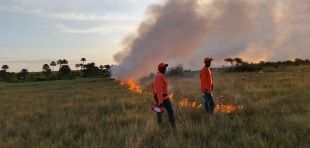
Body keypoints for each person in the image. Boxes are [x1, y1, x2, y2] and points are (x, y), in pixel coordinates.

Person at [152, 63, 176, 128]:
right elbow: (159, 90)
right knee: (170, 111)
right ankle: (173, 126)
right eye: (163, 68)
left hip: (161, 98)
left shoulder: (160, 75)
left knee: (159, 112)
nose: (165, 69)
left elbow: (154, 88)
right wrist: (161, 102)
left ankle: (160, 126)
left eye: (165, 67)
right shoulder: (159, 76)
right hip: (163, 99)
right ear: (160, 69)